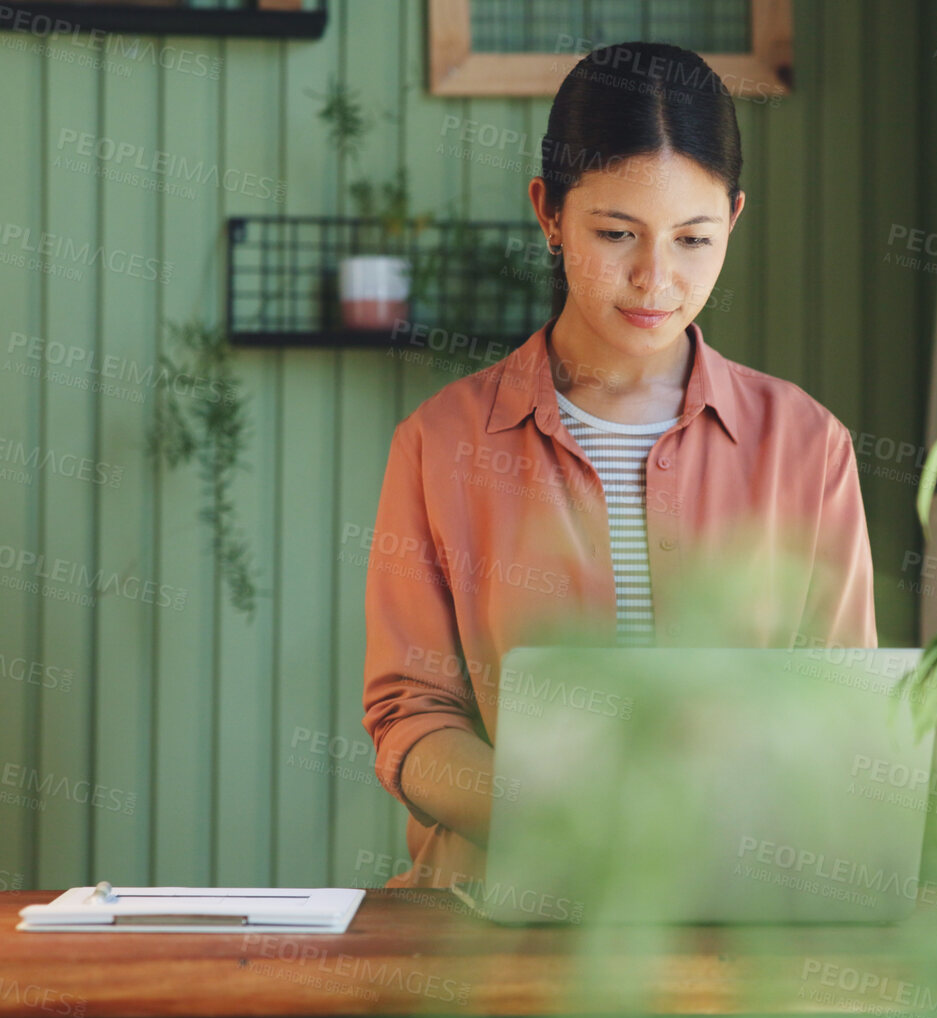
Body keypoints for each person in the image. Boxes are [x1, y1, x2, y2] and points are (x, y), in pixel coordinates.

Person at [361, 41, 876, 888]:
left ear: (733, 223)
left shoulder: (808, 446)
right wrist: (553, 816)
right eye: (615, 234)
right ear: (548, 214)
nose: (655, 280)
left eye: (693, 240)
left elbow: (843, 717)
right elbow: (410, 717)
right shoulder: (438, 443)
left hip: (737, 922)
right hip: (495, 925)